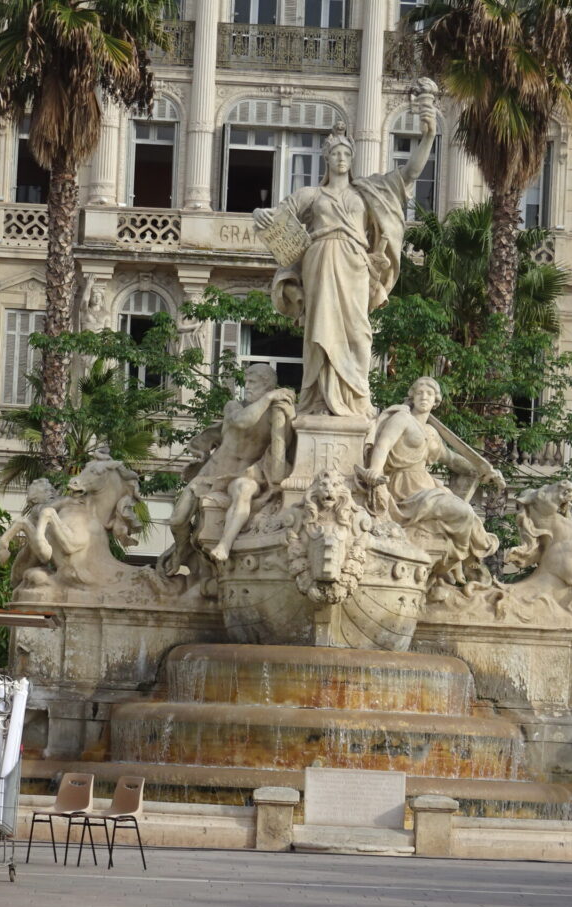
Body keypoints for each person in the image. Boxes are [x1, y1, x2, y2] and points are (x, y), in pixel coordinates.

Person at [253, 102, 437, 418]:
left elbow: (411, 172)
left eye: (346, 155)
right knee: (320, 327)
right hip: (321, 259)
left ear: (351, 160)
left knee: (359, 332)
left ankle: (357, 399)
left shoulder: (367, 192)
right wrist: (261, 214)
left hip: (355, 264)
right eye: (335, 154)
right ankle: (318, 401)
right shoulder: (312, 195)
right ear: (326, 159)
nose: (341, 159)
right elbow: (278, 216)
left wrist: (429, 135)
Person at [158, 363, 295, 575]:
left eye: (252, 383)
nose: (246, 387)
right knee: (178, 519)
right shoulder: (234, 406)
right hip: (212, 473)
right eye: (246, 382)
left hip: (245, 474)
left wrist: (288, 417)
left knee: (244, 490)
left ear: (267, 385)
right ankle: (180, 550)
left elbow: (284, 446)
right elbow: (242, 421)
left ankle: (225, 544)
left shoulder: (273, 416)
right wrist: (268, 398)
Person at [363, 377, 504, 580]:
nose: (423, 397)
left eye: (429, 394)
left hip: (425, 485)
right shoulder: (402, 419)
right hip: (404, 486)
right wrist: (375, 470)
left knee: (469, 516)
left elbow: (452, 459)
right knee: (463, 511)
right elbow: (383, 444)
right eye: (419, 393)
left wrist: (482, 472)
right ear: (412, 397)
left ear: (435, 401)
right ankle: (459, 558)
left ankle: (454, 560)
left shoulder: (431, 432)